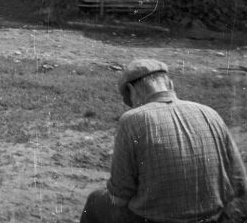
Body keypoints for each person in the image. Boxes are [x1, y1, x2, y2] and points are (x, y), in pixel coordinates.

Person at [80, 58, 247, 223]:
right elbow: (240, 183)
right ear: (170, 84)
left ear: (131, 90)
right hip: (212, 218)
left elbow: (119, 197)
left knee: (95, 200)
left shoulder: (132, 120)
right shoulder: (210, 113)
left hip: (153, 219)